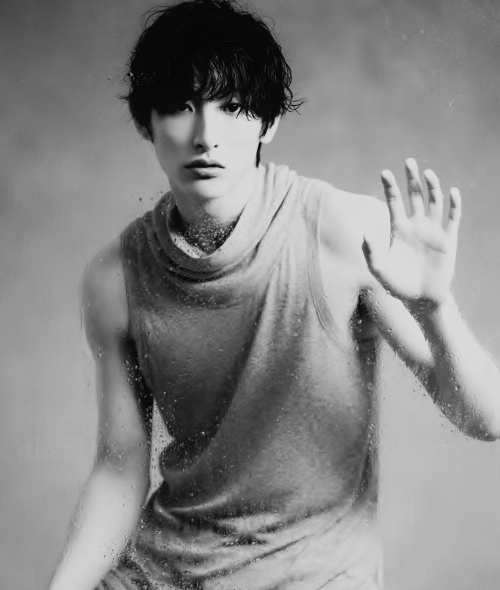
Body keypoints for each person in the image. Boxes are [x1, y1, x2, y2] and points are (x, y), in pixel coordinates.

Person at [48, 1, 500, 589]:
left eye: (233, 107)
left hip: (313, 576)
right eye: (181, 106)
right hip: (161, 571)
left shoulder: (345, 232)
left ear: (268, 123)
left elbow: (487, 420)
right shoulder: (114, 278)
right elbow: (118, 467)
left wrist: (436, 309)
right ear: (146, 122)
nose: (206, 136)